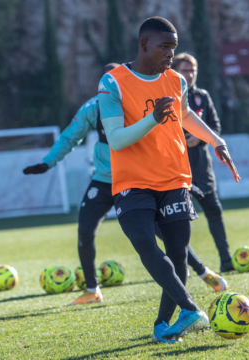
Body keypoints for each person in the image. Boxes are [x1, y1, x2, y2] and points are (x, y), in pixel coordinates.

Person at [23, 64, 229, 306]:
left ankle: (204, 273)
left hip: (138, 181)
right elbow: (71, 136)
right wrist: (48, 163)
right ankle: (92, 289)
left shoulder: (140, 99)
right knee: (85, 229)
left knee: (165, 235)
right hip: (103, 180)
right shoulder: (94, 107)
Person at [98, 17, 240, 343]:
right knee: (145, 242)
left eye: (173, 48)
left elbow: (186, 115)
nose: (171, 55)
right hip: (133, 182)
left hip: (174, 178)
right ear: (144, 43)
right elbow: (117, 139)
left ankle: (163, 324)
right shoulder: (113, 82)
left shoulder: (176, 81)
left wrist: (217, 141)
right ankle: (190, 309)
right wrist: (152, 118)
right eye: (165, 47)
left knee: (178, 254)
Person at [172, 53, 233, 272]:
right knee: (180, 222)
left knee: (214, 212)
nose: (189, 75)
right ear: (175, 72)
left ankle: (226, 260)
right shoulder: (169, 96)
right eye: (185, 70)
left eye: (192, 70)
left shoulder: (202, 97)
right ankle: (184, 267)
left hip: (202, 168)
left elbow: (215, 127)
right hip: (177, 171)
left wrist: (200, 137)